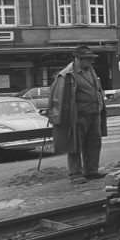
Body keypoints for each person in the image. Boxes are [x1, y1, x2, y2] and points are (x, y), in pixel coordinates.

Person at [49, 45, 107, 184]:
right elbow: (59, 98)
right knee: (74, 145)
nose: (90, 61)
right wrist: (60, 117)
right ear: (77, 59)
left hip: (94, 114)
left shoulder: (91, 71)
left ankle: (91, 171)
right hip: (77, 116)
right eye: (87, 59)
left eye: (91, 59)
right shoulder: (67, 75)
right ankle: (75, 173)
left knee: (94, 143)